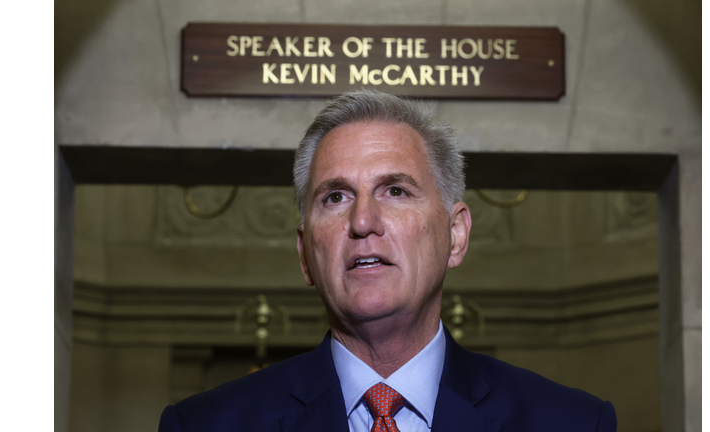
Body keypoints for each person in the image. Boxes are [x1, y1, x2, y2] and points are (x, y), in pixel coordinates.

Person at [158, 90, 617, 432]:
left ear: (455, 236)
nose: (362, 221)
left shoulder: (572, 422)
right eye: (335, 197)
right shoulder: (204, 425)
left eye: (395, 191)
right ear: (304, 254)